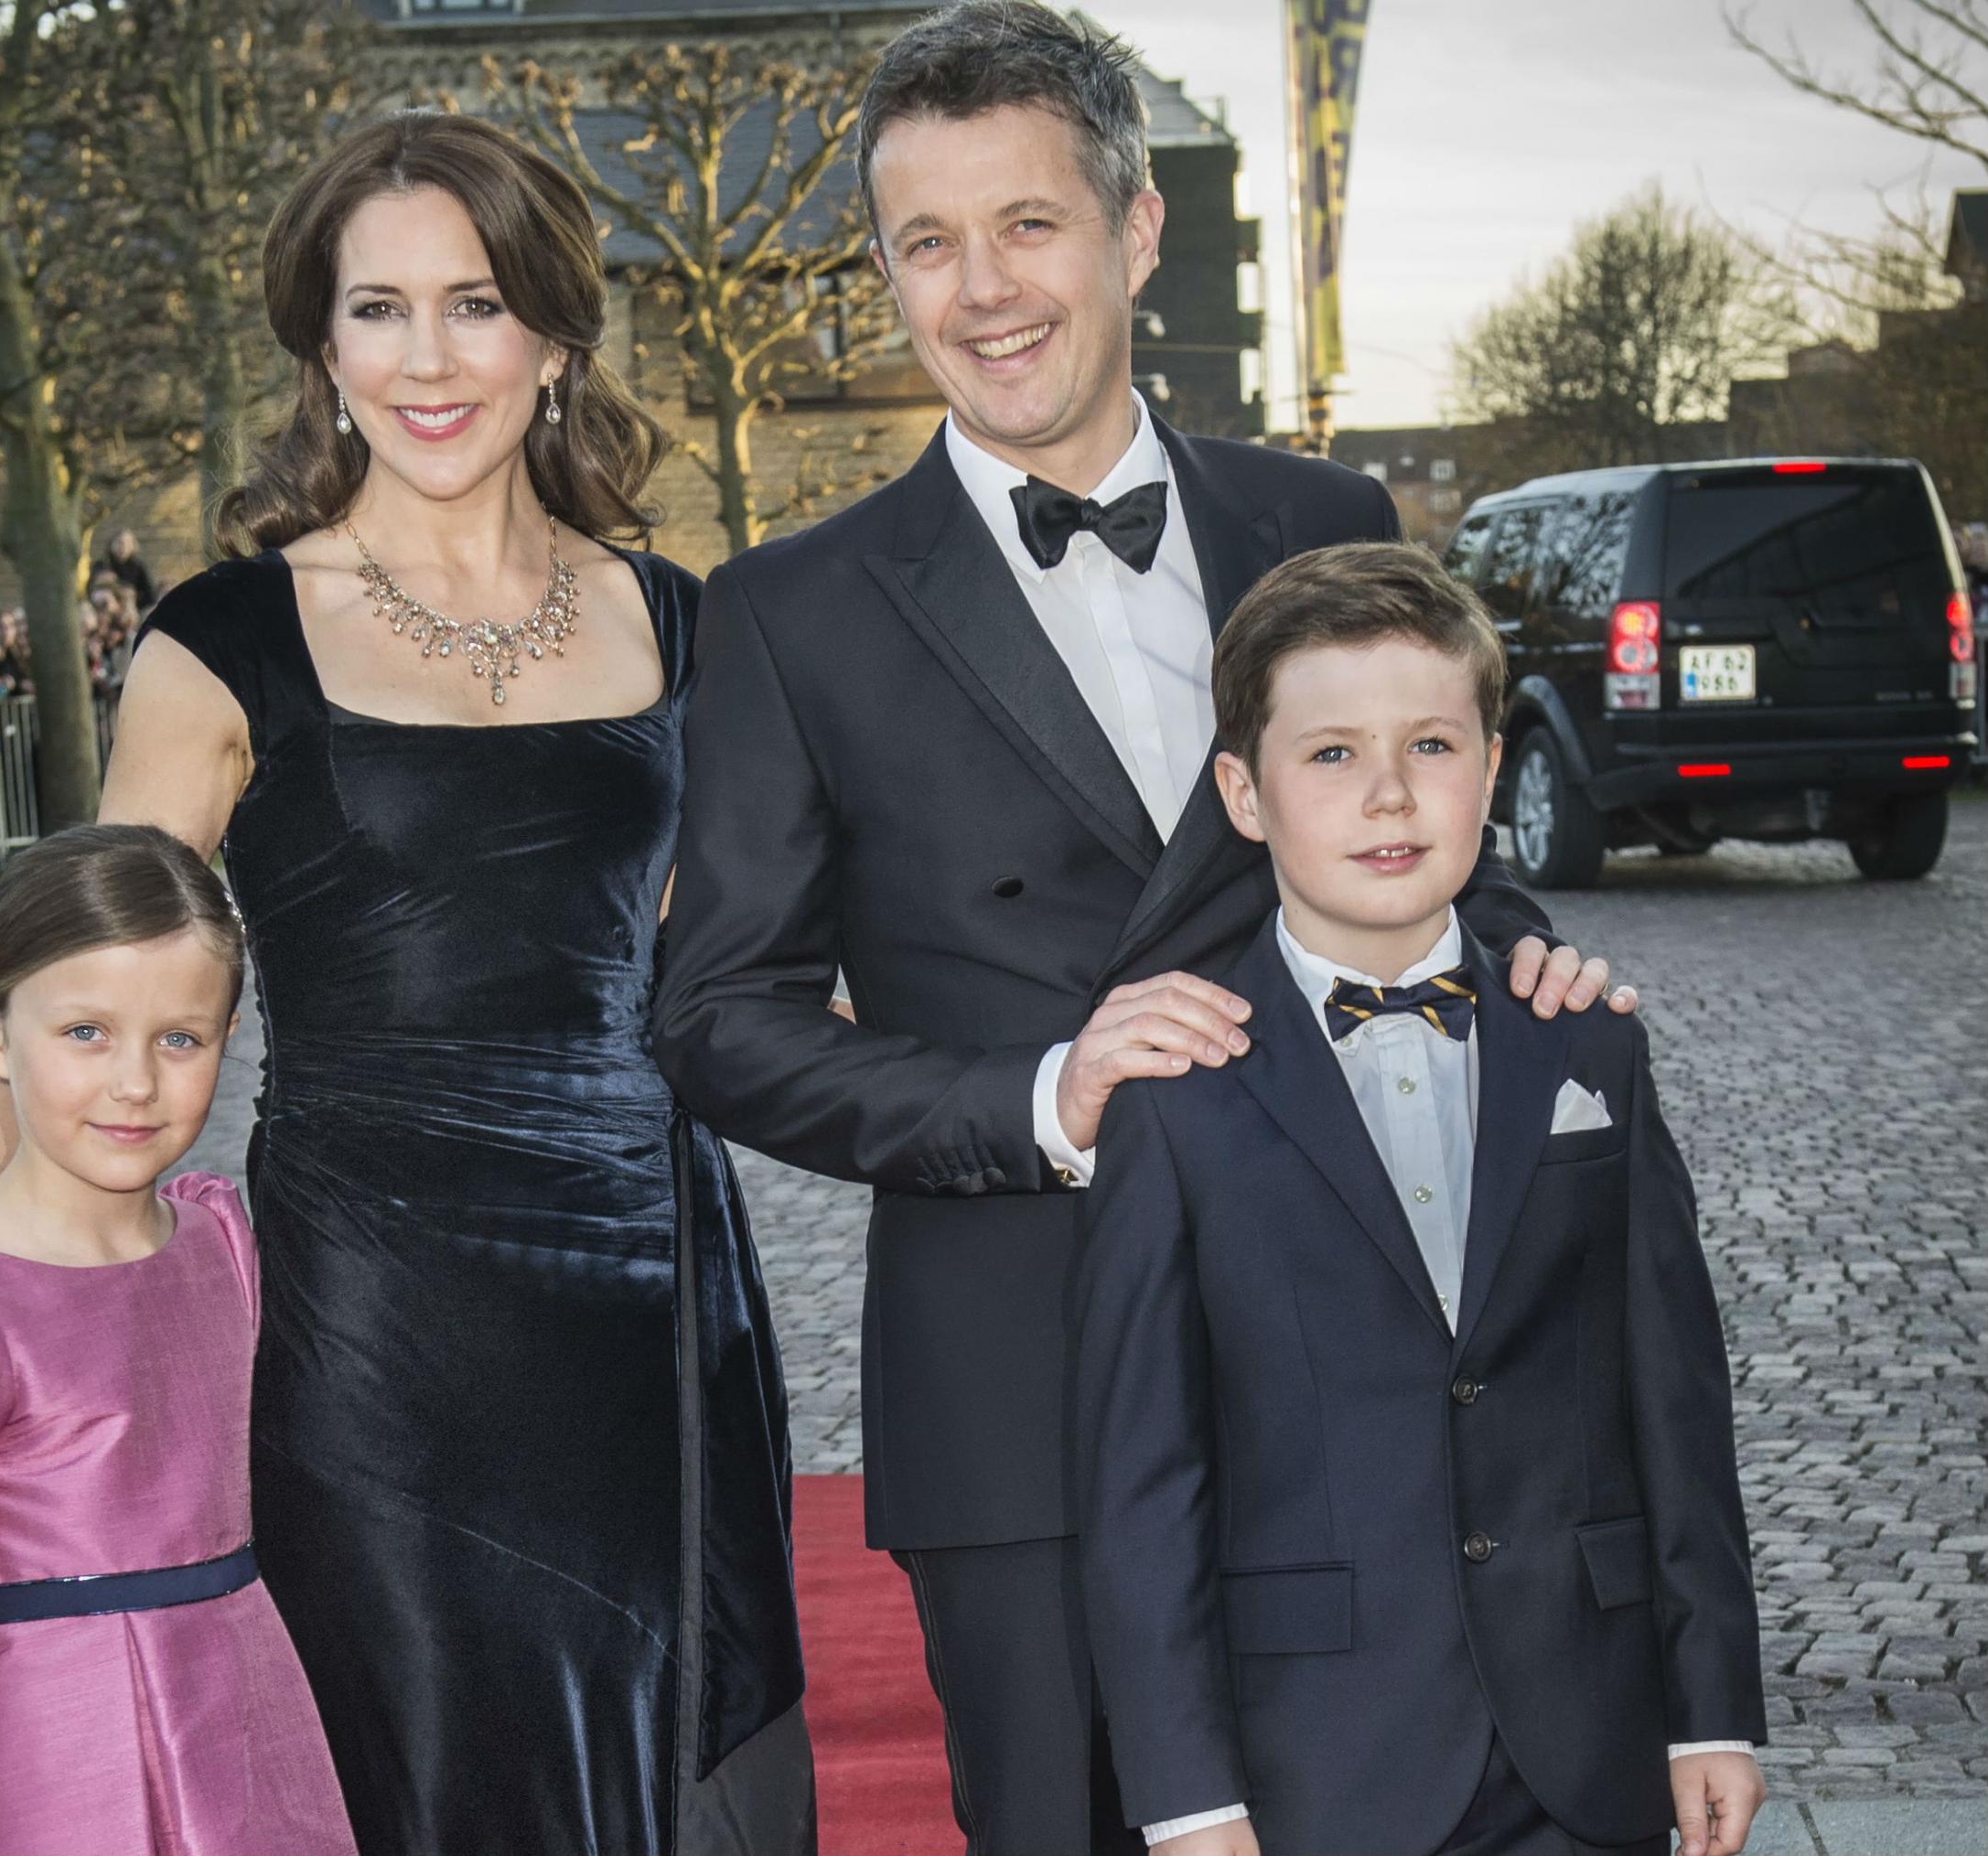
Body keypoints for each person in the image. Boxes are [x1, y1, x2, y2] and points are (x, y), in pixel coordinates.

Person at [652, 7, 1633, 1850]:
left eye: (1024, 223)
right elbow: (716, 1018)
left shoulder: (1322, 515)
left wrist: (1518, 958)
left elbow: (1427, 845)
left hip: (1362, 1350)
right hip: (1017, 1384)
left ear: (1133, 231)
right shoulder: (790, 611)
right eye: (921, 241)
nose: (978, 288)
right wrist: (1039, 1101)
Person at [0, 110, 811, 1856]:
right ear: (321, 343)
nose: (429, 358)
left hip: (651, 1300)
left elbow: (764, 970)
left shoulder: (679, 619)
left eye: (477, 302)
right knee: (422, 1760)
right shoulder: (226, 642)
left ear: (556, 336)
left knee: (689, 1773)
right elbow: (81, 986)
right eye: (378, 309)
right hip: (376, 1319)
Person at [1075, 543, 1768, 1856]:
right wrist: (1187, 1796)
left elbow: (1676, 1399)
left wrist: (1710, 1711)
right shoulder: (1175, 1094)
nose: (1389, 793)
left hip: (1592, 1741)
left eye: (1433, 746)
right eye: (1330, 754)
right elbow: (1141, 1481)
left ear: (1494, 768)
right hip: (1318, 1762)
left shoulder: (1589, 1046)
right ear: (1245, 790)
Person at [0, 823, 357, 1856]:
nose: (135, 1082)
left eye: (180, 1038)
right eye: (85, 1032)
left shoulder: (222, 1243)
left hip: (250, 1754)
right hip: (50, 1780)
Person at [102, 528, 157, 609]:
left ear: (132, 546)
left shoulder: (139, 567)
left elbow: (150, 595)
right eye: (119, 543)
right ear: (111, 545)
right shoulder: (102, 566)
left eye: (127, 543)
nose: (122, 547)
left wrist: (134, 599)